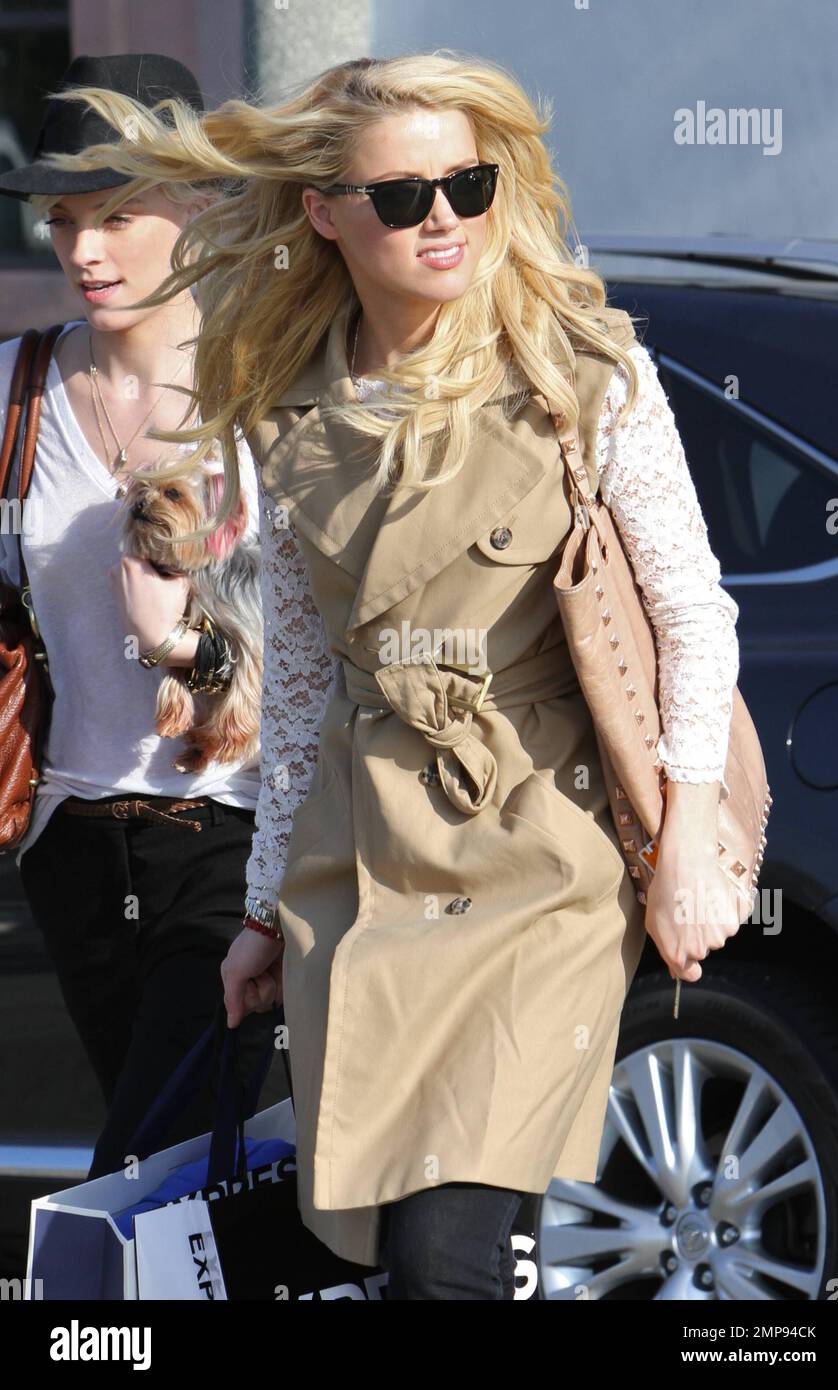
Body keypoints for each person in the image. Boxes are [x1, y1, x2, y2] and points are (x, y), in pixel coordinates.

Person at [53, 51, 743, 1299]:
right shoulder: (293, 403)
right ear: (323, 212)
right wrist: (265, 905)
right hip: (362, 859)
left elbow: (692, 612)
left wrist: (686, 834)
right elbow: (308, 676)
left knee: (449, 1257)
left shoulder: (583, 374)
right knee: (367, 1250)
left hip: (541, 843)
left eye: (469, 186)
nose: (443, 220)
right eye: (403, 196)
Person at [0, 53, 277, 1183]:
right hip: (71, 841)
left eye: (116, 212)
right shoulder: (16, 390)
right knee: (166, 1189)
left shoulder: (271, 394)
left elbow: (318, 638)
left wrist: (188, 649)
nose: (85, 251)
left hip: (232, 836)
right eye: (63, 220)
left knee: (139, 1177)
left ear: (196, 202)